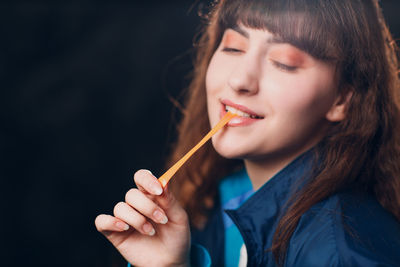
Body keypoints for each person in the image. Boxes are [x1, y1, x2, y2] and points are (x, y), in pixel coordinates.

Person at [95, 0, 400, 266]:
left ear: (341, 100)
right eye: (233, 47)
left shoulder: (341, 254)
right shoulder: (212, 203)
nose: (240, 79)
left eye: (283, 63)